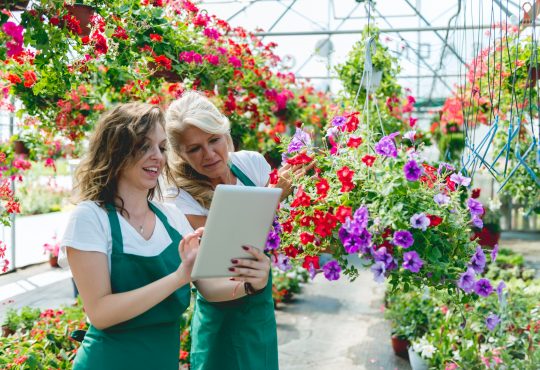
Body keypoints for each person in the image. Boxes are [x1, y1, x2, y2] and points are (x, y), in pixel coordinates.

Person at [164, 91, 306, 370]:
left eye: (213, 140)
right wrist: (274, 196)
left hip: (259, 304)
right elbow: (223, 256)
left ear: (225, 133)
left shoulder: (250, 163)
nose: (209, 154)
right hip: (219, 309)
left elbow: (284, 228)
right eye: (194, 148)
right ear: (181, 153)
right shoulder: (178, 195)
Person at [58, 103, 201, 370]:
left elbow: (211, 289)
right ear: (116, 150)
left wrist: (250, 279)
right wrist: (179, 277)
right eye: (144, 146)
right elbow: (100, 313)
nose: (157, 156)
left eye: (161, 147)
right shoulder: (90, 217)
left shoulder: (172, 217)